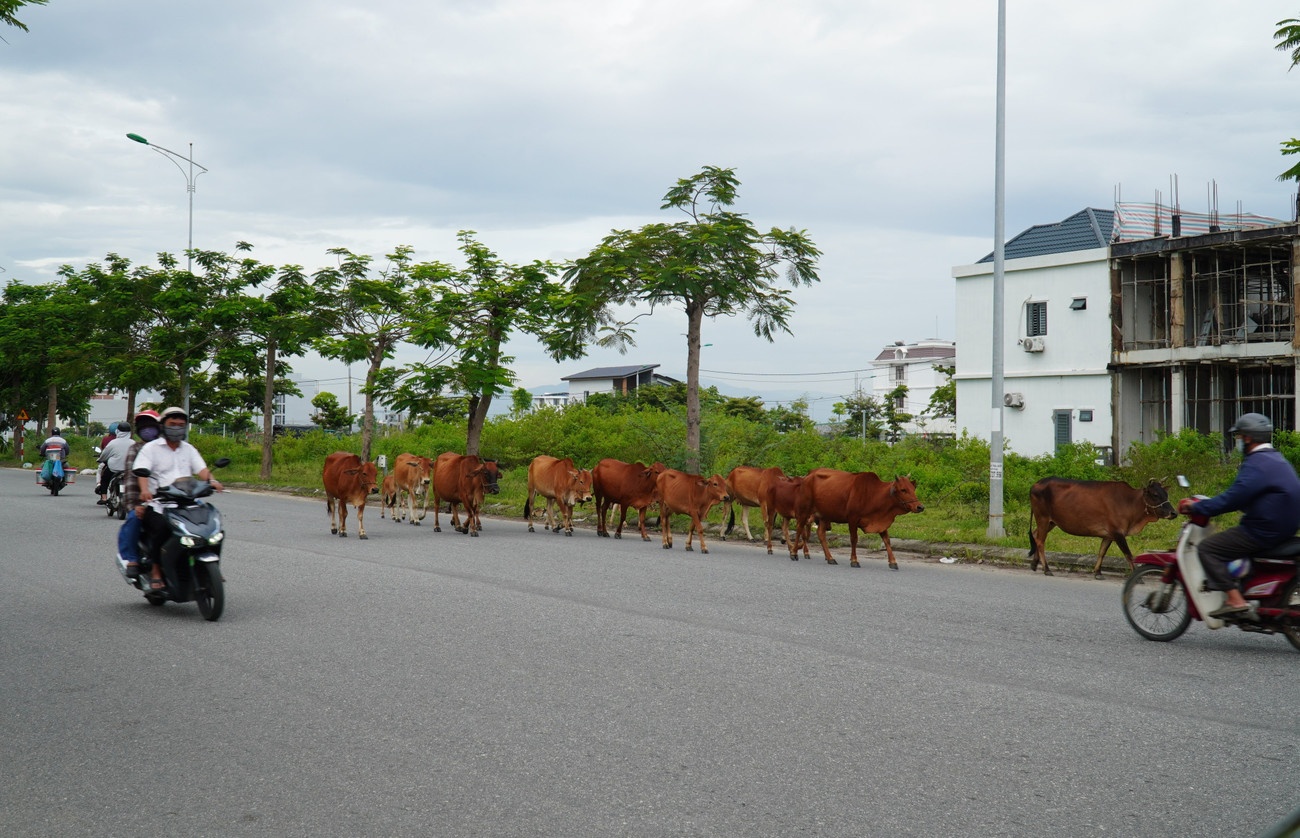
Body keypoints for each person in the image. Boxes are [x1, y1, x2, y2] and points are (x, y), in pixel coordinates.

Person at [1178, 412, 1300, 618]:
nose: (1239, 442)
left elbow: (1232, 499)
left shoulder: (1256, 464)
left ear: (1248, 438)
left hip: (1262, 532)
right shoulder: (1276, 459)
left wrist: (1198, 507)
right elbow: (1249, 497)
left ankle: (1235, 600)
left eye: (1240, 437)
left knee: (1209, 548)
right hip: (1282, 528)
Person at [135, 407, 223, 590]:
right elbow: (142, 471)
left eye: (181, 425)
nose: (177, 428)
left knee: (213, 527)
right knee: (160, 529)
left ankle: (212, 566)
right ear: (163, 426)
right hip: (160, 503)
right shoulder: (150, 449)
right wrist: (144, 490)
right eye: (172, 424)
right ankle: (156, 570)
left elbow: (202, 469)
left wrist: (212, 480)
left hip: (188, 502)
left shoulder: (189, 449)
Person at [116, 410, 160, 577]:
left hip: (171, 499)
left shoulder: (169, 446)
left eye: (151, 425)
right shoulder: (135, 449)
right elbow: (131, 480)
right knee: (135, 519)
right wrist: (136, 505)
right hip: (144, 500)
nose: (147, 429)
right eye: (143, 426)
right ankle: (132, 558)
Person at [95, 422, 134, 504]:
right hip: (129, 470)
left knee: (105, 479)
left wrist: (100, 459)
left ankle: (104, 498)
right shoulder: (133, 443)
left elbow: (104, 455)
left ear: (118, 431)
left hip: (114, 469)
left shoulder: (113, 443)